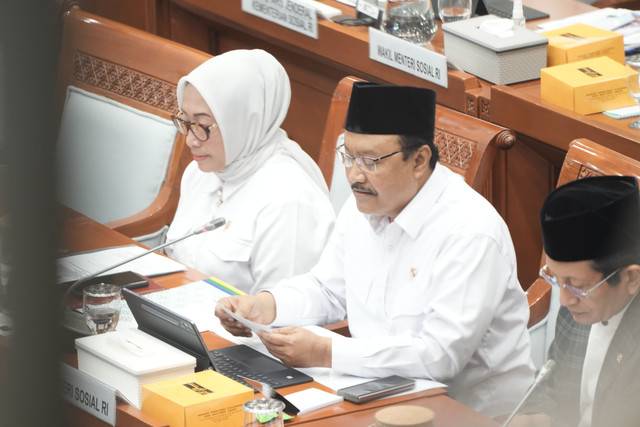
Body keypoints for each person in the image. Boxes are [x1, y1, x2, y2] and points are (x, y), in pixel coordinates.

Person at [215, 81, 535, 417]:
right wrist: (265, 306)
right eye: (348, 156)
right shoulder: (364, 205)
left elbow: (441, 355)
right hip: (370, 394)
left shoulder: (469, 231)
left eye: (370, 161)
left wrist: (327, 352)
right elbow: (327, 288)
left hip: (466, 414)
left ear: (419, 160)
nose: (354, 175)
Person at [164, 49, 335, 294]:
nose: (191, 140)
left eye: (202, 125)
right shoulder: (198, 173)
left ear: (245, 119)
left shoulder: (290, 201)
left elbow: (280, 316)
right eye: (185, 121)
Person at [509, 175, 640, 427]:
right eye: (556, 279)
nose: (564, 299)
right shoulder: (579, 304)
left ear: (631, 277)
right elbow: (552, 382)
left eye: (577, 285)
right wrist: (538, 417)